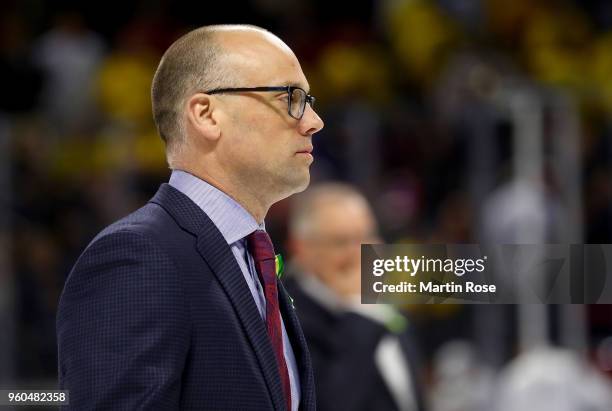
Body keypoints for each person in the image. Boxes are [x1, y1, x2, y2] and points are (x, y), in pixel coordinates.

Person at [56, 24, 324, 410]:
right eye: (290, 98)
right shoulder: (137, 257)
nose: (313, 120)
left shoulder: (252, 258)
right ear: (206, 114)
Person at [284, 183, 426, 411]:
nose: (361, 252)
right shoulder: (289, 320)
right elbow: (331, 403)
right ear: (301, 249)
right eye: (342, 242)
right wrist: (356, 308)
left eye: (367, 235)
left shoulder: (385, 303)